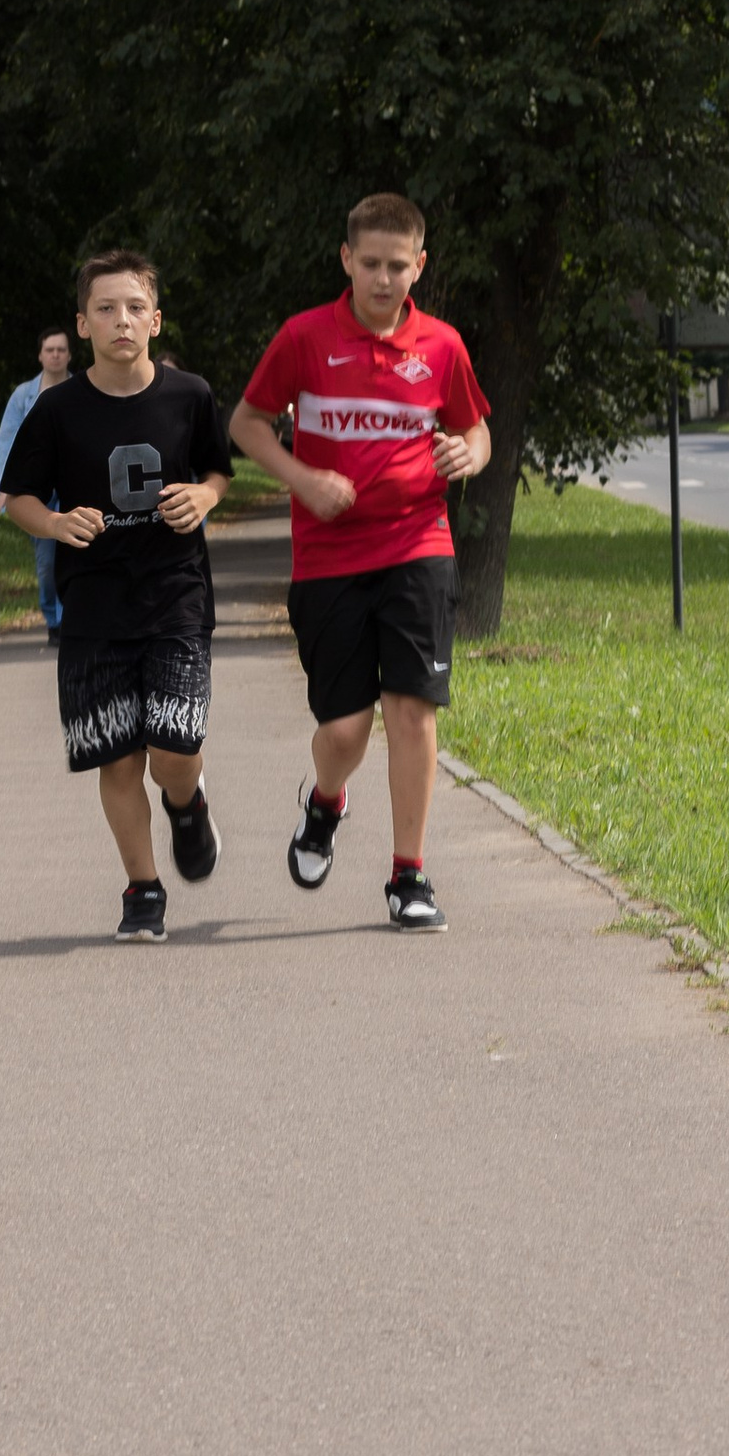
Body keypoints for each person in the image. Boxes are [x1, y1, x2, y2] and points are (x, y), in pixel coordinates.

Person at [230, 190, 490, 931]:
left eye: (397, 266)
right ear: (347, 260)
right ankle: (325, 802)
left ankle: (409, 875)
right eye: (369, 264)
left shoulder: (442, 346)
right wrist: (304, 479)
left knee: (413, 709)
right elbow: (246, 423)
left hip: (418, 544)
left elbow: (477, 435)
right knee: (345, 730)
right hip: (328, 556)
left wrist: (462, 455)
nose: (382, 278)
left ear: (419, 267)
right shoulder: (305, 338)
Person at [0, 248, 231, 940]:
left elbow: (218, 471)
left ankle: (186, 806)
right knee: (118, 755)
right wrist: (57, 523)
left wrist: (205, 496)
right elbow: (17, 498)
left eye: (134, 308)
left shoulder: (190, 396)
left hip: (176, 596)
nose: (121, 320)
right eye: (105, 308)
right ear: (82, 324)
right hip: (94, 604)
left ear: (155, 320)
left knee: (174, 750)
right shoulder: (58, 408)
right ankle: (143, 890)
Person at [0, 327, 75, 633]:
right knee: (48, 564)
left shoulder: (83, 389)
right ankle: (54, 620)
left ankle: (71, 620)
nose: (55, 355)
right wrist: (5, 488)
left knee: (77, 555)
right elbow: (6, 441)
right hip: (37, 494)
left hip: (75, 486)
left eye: (61, 350)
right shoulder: (22, 396)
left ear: (69, 355)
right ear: (41, 355)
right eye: (50, 350)